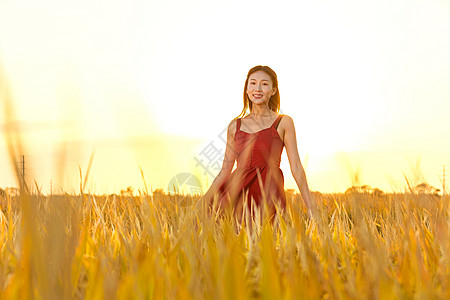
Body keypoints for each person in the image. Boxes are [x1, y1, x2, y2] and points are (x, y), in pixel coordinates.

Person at [200, 65, 314, 222]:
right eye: (252, 83)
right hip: (236, 197)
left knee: (271, 240)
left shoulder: (284, 122)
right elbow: (225, 171)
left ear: (273, 90)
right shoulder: (235, 126)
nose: (258, 88)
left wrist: (311, 207)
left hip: (269, 195)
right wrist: (204, 201)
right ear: (246, 89)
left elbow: (296, 166)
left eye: (264, 84)